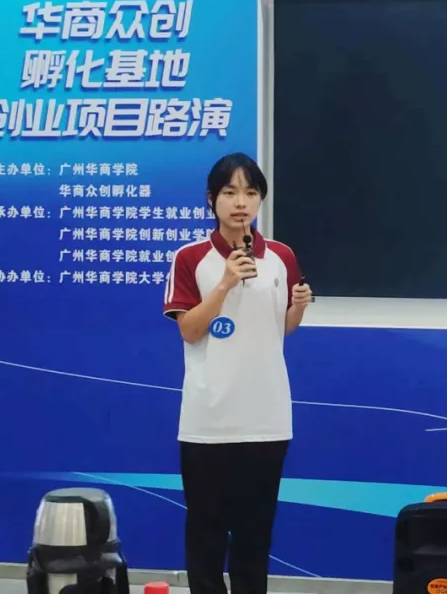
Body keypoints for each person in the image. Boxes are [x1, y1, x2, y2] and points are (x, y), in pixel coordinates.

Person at [162, 152, 312, 594]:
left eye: (250, 192)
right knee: (206, 531)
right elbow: (189, 330)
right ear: (212, 200)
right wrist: (225, 284)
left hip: (266, 416)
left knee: (255, 532)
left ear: (261, 199)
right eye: (229, 192)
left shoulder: (281, 256)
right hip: (209, 419)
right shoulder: (191, 258)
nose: (240, 202)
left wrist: (299, 308)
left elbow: (281, 327)